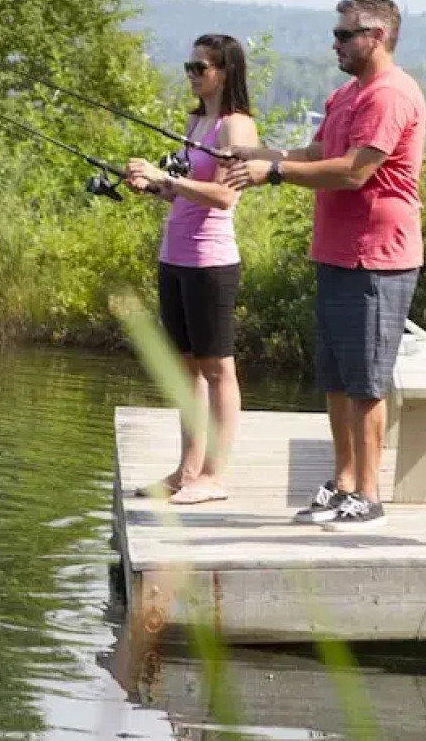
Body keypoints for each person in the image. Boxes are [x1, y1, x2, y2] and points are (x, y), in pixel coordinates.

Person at [224, 0, 426, 530]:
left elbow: (354, 172)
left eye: (344, 35)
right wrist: (260, 156)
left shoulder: (390, 95)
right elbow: (317, 154)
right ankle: (343, 484)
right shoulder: (346, 95)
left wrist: (275, 174)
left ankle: (370, 495)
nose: (333, 43)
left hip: (376, 260)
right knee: (336, 380)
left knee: (366, 384)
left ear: (375, 37)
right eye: (335, 33)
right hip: (336, 255)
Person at [125, 34, 259, 505]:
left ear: (224, 71)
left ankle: (214, 475)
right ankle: (187, 471)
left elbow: (226, 195)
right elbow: (183, 189)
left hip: (211, 261)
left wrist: (169, 178)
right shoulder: (196, 122)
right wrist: (154, 186)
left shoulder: (235, 128)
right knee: (186, 371)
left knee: (218, 368)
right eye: (189, 66)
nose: (192, 74)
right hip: (175, 255)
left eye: (200, 67)